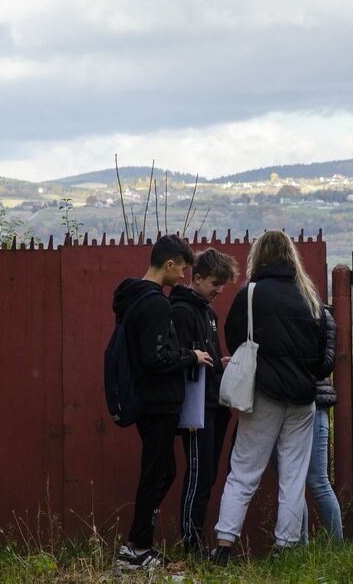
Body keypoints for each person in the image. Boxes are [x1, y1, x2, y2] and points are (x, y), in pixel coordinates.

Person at [211, 230, 327, 565]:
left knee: (244, 471)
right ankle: (285, 548)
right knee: (293, 476)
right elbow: (322, 353)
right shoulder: (309, 296)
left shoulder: (251, 294)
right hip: (303, 398)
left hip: (262, 392)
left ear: (258, 256)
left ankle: (224, 546)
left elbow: (234, 337)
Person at [113, 235, 214, 571]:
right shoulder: (156, 303)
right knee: (156, 472)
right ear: (169, 264)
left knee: (162, 469)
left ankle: (138, 545)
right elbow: (155, 356)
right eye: (182, 269)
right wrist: (191, 356)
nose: (183, 276)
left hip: (147, 397)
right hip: (158, 401)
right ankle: (137, 548)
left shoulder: (133, 297)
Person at [170, 248, 239, 553]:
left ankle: (196, 541)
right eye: (215, 283)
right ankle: (191, 544)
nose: (219, 290)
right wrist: (197, 359)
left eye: (222, 284)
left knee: (207, 475)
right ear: (196, 278)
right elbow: (179, 359)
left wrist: (220, 364)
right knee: (198, 475)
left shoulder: (209, 312)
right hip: (197, 408)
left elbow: (206, 357)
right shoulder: (182, 312)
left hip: (215, 404)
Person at [301, 305, 344, 543]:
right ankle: (300, 547)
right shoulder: (322, 314)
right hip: (313, 401)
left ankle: (337, 547)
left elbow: (326, 363)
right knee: (296, 482)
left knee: (316, 481)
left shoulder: (321, 314)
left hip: (315, 401)